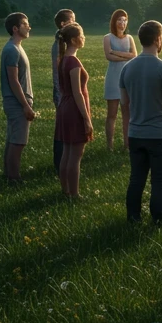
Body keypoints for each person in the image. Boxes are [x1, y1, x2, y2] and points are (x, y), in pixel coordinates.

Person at [120, 20, 162, 225]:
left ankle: (133, 218)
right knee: (160, 183)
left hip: (136, 133)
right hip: (160, 135)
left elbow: (124, 106)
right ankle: (158, 221)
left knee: (136, 180)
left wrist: (126, 134)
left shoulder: (127, 69)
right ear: (158, 40)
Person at [55, 22, 94, 200]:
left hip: (64, 107)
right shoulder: (73, 62)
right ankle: (75, 193)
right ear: (73, 40)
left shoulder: (63, 59)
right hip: (74, 109)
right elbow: (77, 92)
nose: (84, 38)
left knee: (67, 151)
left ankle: (65, 191)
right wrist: (86, 118)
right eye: (81, 35)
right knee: (76, 154)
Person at [0, 12, 36, 186]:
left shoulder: (16, 47)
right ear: (15, 28)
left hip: (17, 101)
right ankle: (14, 179)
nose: (29, 27)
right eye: (25, 24)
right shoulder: (12, 50)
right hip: (16, 102)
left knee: (13, 139)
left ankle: (8, 175)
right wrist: (25, 105)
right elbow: (13, 81)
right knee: (18, 141)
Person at [103, 9, 138, 152]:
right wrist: (125, 56)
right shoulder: (108, 38)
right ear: (114, 21)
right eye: (119, 20)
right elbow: (109, 56)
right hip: (113, 78)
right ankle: (109, 146)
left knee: (127, 113)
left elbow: (134, 55)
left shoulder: (129, 38)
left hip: (127, 78)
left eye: (124, 20)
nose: (122, 23)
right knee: (112, 114)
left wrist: (115, 52)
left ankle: (127, 144)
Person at [50, 9, 75, 175]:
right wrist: (61, 96)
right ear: (63, 24)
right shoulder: (59, 46)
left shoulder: (65, 44)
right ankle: (60, 163)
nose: (75, 23)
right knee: (62, 129)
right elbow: (57, 74)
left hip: (65, 93)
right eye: (72, 20)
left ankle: (65, 162)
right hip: (62, 94)